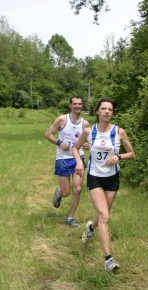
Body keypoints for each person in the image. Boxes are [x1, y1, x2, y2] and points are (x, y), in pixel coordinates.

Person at [72, 98, 135, 272]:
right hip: (95, 178)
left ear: (113, 112)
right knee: (105, 216)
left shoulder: (119, 132)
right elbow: (75, 148)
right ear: (97, 111)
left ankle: (90, 227)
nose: (107, 111)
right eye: (104, 108)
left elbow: (132, 153)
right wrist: (79, 162)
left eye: (110, 109)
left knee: (101, 217)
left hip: (112, 178)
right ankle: (108, 259)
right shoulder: (88, 131)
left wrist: (119, 156)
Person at [44, 95, 90, 227]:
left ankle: (70, 218)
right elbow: (47, 134)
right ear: (70, 105)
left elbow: (89, 141)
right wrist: (59, 142)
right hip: (63, 159)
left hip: (78, 158)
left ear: (82, 105)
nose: (77, 106)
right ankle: (59, 192)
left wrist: (87, 145)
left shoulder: (85, 124)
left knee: (77, 188)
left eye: (79, 104)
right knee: (66, 191)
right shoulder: (62, 119)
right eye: (74, 104)